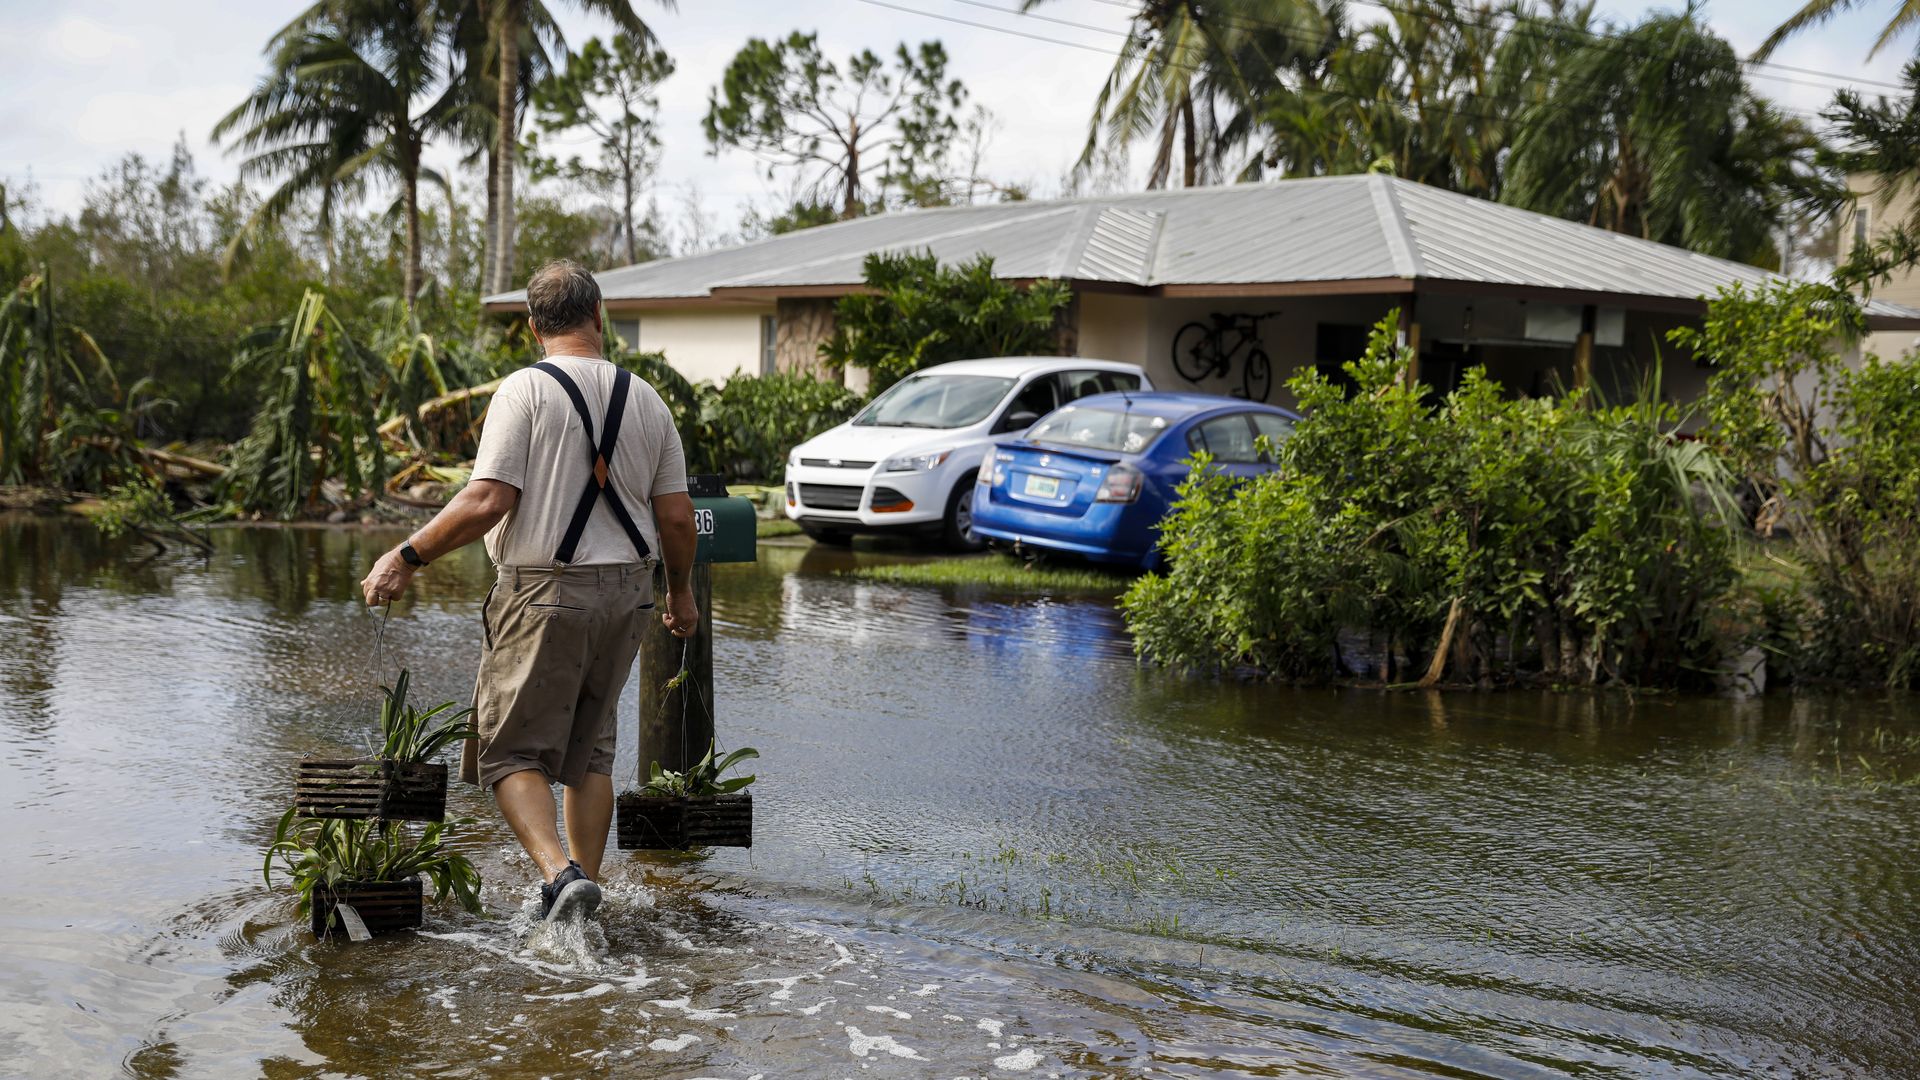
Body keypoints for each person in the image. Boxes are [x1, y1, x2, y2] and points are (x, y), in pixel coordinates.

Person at [359, 259, 698, 924]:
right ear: (599, 318)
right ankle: (583, 899)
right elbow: (678, 518)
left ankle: (559, 873)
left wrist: (407, 555)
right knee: (590, 750)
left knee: (507, 750)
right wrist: (679, 595)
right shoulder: (648, 400)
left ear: (531, 327)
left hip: (545, 591)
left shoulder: (525, 392)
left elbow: (488, 499)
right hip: (628, 593)